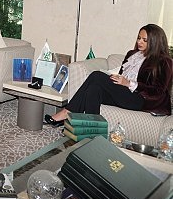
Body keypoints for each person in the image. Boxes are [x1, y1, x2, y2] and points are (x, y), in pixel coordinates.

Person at [45, 24, 173, 127]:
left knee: (96, 76)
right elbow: (121, 78)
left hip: (141, 100)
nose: (140, 42)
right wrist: (117, 79)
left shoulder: (164, 61)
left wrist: (129, 83)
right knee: (94, 89)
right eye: (139, 38)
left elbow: (158, 91)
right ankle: (91, 131)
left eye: (145, 40)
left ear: (155, 42)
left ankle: (68, 111)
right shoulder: (132, 54)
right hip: (124, 94)